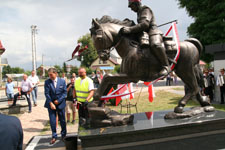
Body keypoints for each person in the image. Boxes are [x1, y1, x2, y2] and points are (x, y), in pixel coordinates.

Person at [120, 0, 170, 77]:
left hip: (153, 31)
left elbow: (145, 24)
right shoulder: (139, 12)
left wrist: (130, 29)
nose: (131, 9)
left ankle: (166, 66)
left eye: (131, 6)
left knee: (155, 44)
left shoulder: (145, 9)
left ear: (136, 3)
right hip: (145, 33)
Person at [44, 68, 67, 144]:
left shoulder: (62, 81)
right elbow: (47, 93)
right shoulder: (47, 82)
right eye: (49, 75)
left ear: (56, 73)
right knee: (52, 121)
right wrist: (51, 103)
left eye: (51, 74)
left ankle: (63, 135)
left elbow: (64, 93)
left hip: (60, 104)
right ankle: (54, 136)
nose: (50, 76)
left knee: (62, 120)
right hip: (51, 105)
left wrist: (59, 101)